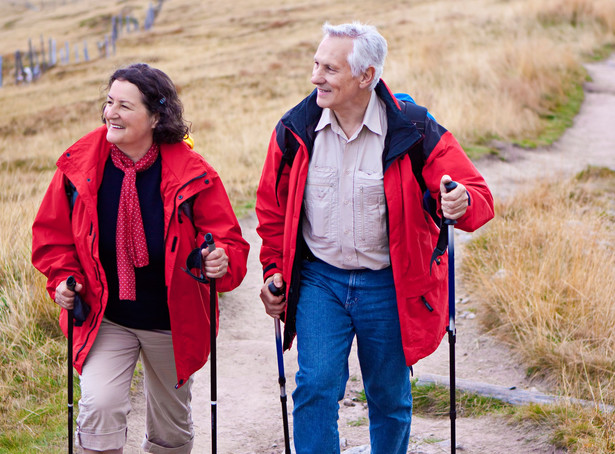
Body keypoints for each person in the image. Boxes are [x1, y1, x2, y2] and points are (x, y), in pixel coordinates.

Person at [256, 22, 494, 454]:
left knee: (389, 397)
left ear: (366, 77)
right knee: (314, 389)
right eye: (316, 64)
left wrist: (459, 203)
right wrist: (273, 271)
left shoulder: (413, 128)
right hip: (319, 282)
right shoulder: (294, 130)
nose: (315, 78)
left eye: (329, 69)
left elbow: (476, 196)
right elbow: (272, 211)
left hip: (388, 284)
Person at [32, 63, 249, 454]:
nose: (111, 113)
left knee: (171, 427)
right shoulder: (79, 167)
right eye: (109, 102)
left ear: (155, 116)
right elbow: (52, 238)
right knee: (98, 407)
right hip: (105, 317)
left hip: (172, 321)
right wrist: (63, 279)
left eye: (124, 106)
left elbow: (229, 243)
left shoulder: (193, 173)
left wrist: (220, 261)